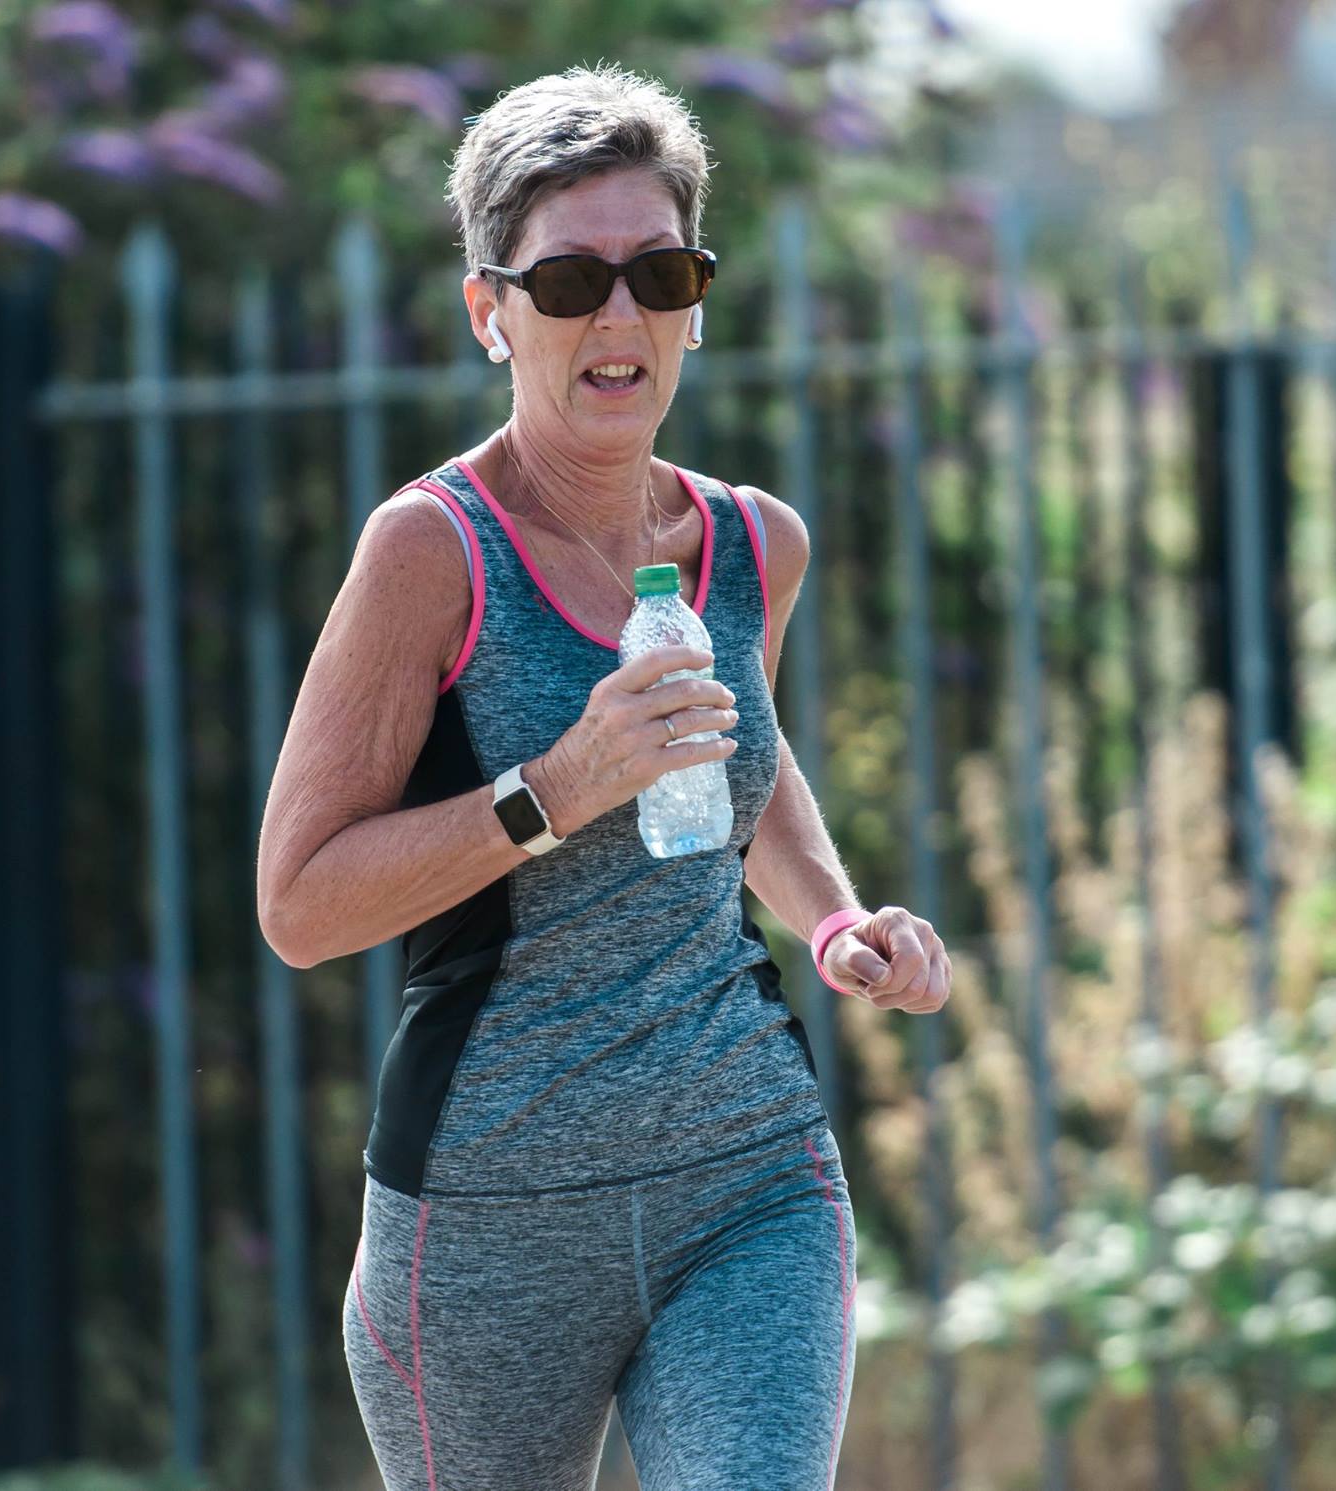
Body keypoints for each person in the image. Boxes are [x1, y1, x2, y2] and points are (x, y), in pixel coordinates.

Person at [254, 62, 952, 1491]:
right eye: (569, 283)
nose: (620, 316)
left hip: (750, 1185)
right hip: (488, 1230)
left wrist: (834, 921)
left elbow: (740, 756)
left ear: (699, 297)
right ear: (490, 313)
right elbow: (301, 905)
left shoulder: (758, 544)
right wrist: (553, 787)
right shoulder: (429, 552)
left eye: (660, 272)